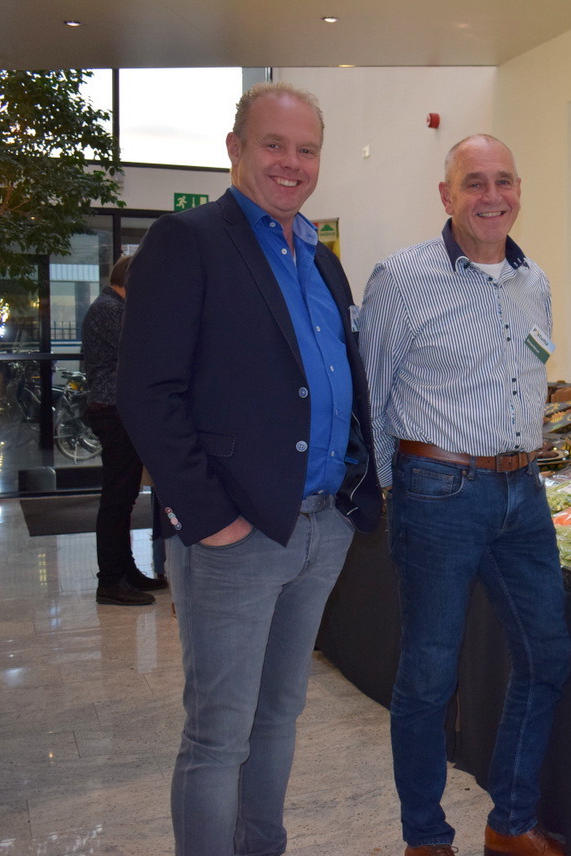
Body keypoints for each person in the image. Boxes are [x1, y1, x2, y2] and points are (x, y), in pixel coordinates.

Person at [116, 81, 382, 856]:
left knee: (280, 715)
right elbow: (147, 393)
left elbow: (335, 378)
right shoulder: (188, 240)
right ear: (235, 149)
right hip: (236, 534)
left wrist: (352, 493)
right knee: (218, 736)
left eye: (306, 150)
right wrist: (212, 520)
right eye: (274, 145)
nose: (291, 163)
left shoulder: (323, 260)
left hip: (321, 527)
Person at [360, 134, 571, 856]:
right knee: (429, 676)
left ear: (519, 190)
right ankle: (425, 837)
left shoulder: (534, 280)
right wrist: (392, 491)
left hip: (523, 491)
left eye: (503, 181)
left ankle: (509, 823)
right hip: (438, 491)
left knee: (547, 657)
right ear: (446, 195)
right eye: (474, 183)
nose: (491, 196)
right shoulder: (400, 277)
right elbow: (370, 395)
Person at [82, 252, 168, 606]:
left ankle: (126, 571)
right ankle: (110, 581)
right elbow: (143, 351)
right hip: (112, 410)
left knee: (125, 497)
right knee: (117, 499)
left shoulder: (114, 306)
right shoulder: (109, 309)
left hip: (119, 410)